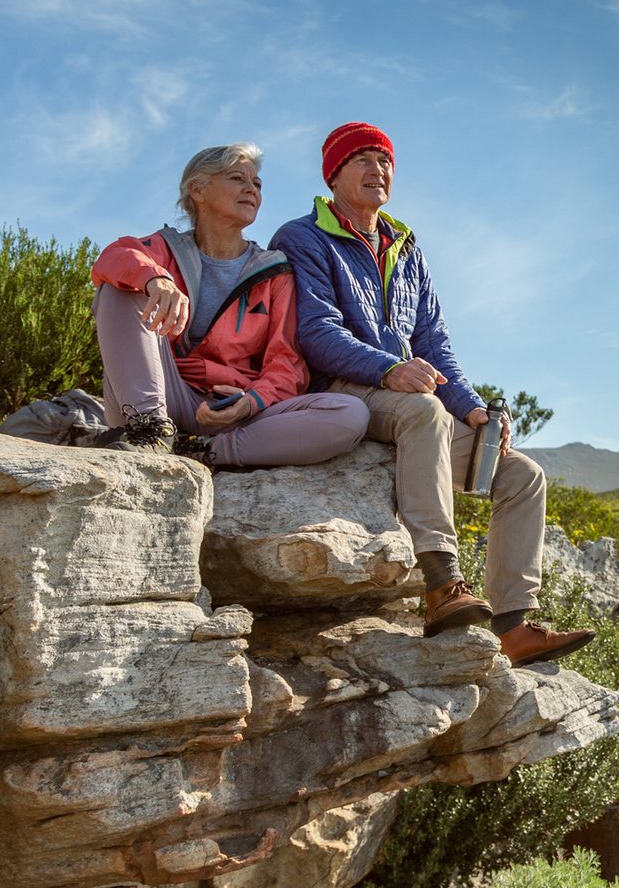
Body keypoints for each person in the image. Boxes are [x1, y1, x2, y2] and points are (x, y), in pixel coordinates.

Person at [270, 123, 593, 663]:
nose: (378, 170)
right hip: (345, 394)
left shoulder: (405, 247)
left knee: (521, 474)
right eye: (362, 160)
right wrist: (389, 369)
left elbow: (434, 343)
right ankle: (443, 583)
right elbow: (316, 332)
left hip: (409, 403)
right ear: (333, 173)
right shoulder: (302, 237)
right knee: (423, 411)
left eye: (385, 161)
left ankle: (512, 624)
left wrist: (471, 408)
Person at [90, 142, 370, 467]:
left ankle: (202, 453)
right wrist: (155, 279)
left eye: (257, 184)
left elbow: (287, 364)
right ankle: (150, 431)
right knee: (119, 288)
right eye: (238, 179)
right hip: (161, 396)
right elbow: (114, 256)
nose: (251, 190)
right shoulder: (165, 248)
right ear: (198, 190)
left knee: (349, 414)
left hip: (233, 412)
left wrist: (251, 402)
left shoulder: (274, 271)